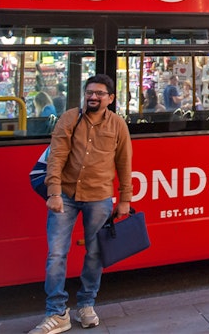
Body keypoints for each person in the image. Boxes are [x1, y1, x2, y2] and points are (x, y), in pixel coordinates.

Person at [30, 74, 132, 334]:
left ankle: (86, 304)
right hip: (64, 195)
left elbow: (124, 163)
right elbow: (57, 156)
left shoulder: (118, 125)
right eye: (90, 92)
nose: (93, 96)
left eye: (99, 93)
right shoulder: (70, 118)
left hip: (99, 197)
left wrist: (125, 200)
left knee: (95, 253)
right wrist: (53, 192)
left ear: (110, 98)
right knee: (56, 254)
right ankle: (56, 311)